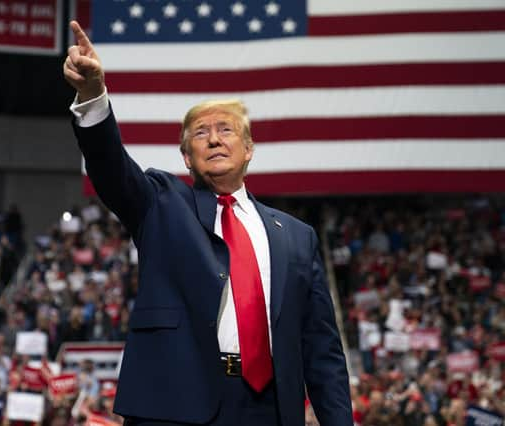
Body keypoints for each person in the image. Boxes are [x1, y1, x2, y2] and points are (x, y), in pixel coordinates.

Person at [63, 20, 352, 426]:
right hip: (177, 405)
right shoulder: (162, 203)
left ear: (249, 149)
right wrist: (93, 96)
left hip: (270, 409)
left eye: (225, 130)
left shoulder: (298, 238)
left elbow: (322, 348)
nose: (214, 139)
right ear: (186, 157)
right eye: (200, 133)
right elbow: (112, 170)